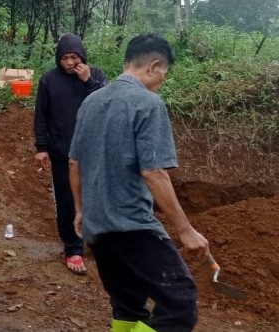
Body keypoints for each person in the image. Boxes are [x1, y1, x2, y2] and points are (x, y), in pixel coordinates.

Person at [68, 34, 209, 332]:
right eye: (164, 74)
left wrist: (81, 211)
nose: (162, 81)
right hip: (132, 225)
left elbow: (74, 163)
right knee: (180, 305)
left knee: (127, 305)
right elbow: (154, 172)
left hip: (98, 227)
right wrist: (185, 230)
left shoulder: (90, 102)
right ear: (154, 66)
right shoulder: (148, 103)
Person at [34, 33, 107, 276]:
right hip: (62, 152)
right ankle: (73, 249)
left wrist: (87, 81)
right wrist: (41, 148)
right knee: (67, 202)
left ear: (82, 57)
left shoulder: (95, 75)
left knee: (96, 199)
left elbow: (106, 106)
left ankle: (97, 242)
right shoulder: (49, 80)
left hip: (94, 151)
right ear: (58, 59)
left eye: (74, 57)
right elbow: (41, 116)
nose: (69, 62)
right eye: (64, 58)